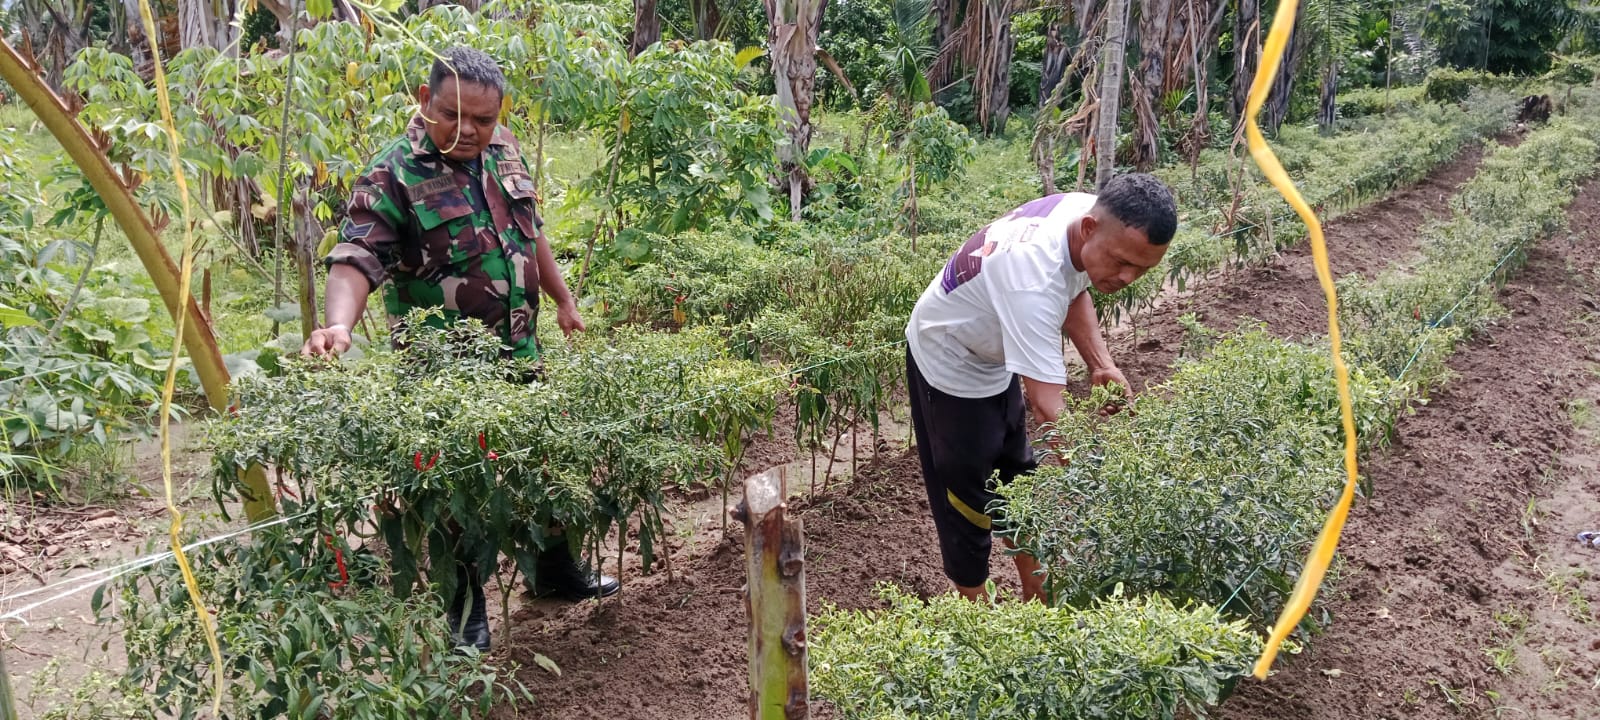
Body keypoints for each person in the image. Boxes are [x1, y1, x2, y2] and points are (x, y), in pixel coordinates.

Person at [302, 47, 618, 652]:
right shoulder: (392, 173)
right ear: (426, 101)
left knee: (544, 463)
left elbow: (530, 231)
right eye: (452, 115)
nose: (467, 130)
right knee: (458, 490)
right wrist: (338, 324)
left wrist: (563, 298)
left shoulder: (505, 152)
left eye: (482, 119)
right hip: (445, 373)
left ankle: (555, 572)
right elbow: (357, 256)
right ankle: (466, 609)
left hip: (520, 352)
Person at [903, 173, 1178, 602]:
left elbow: (1072, 287)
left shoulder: (1091, 218)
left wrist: (1101, 365)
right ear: (1089, 229)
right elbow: (1049, 407)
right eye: (1123, 262)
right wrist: (1099, 488)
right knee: (967, 500)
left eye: (1143, 269)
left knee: (1018, 479)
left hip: (994, 353)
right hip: (948, 361)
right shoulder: (1031, 277)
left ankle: (1038, 599)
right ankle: (974, 619)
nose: (1128, 277)